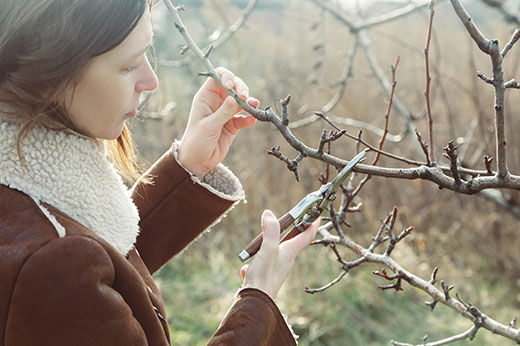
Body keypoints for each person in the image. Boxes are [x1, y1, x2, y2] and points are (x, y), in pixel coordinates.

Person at [0, 0, 320, 345]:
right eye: (130, 64)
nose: (150, 81)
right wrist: (260, 301)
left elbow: (101, 277)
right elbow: (73, 274)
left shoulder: (31, 203)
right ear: (51, 69)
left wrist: (189, 166)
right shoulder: (48, 265)